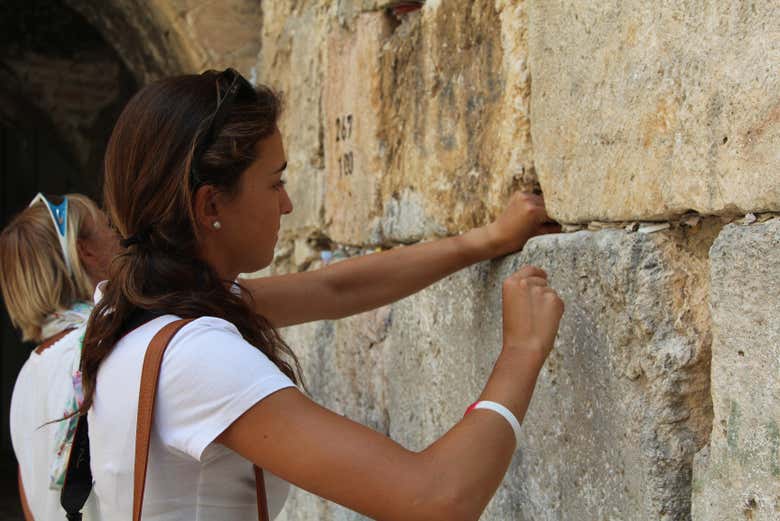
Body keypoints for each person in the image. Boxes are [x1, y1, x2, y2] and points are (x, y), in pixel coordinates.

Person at [79, 69, 564, 521]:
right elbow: (437, 497)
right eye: (275, 182)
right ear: (210, 205)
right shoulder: (195, 356)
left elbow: (336, 288)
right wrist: (521, 351)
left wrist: (485, 240)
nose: (287, 204)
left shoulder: (137, 309)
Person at [0, 192, 119, 520]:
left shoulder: (26, 378)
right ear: (86, 250)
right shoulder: (106, 348)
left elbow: (31, 504)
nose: (117, 234)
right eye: (107, 224)